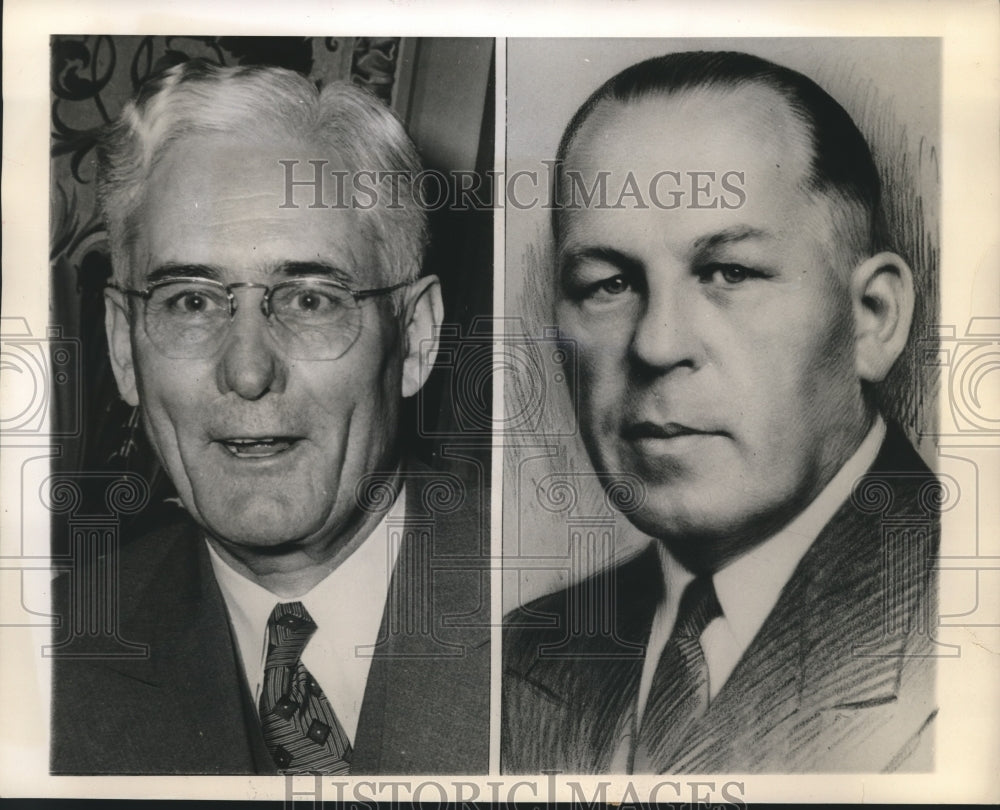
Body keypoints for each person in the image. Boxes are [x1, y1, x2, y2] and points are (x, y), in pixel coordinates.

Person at [503, 51, 939, 774]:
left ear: (873, 318)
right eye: (609, 284)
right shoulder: (521, 653)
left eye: (729, 273)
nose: (657, 343)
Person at [51, 60, 488, 775]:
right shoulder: (47, 662)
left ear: (415, 337)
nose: (248, 372)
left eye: (310, 298)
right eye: (190, 301)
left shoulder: (598, 613)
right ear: (122, 350)